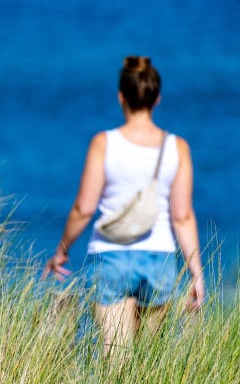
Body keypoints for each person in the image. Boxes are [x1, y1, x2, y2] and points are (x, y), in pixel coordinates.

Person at [43, 56, 205, 358]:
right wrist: (196, 274)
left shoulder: (104, 143)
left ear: (121, 97)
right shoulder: (178, 148)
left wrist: (62, 250)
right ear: (157, 99)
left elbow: (83, 209)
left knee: (115, 359)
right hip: (159, 259)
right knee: (146, 363)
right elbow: (182, 217)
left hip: (111, 258)